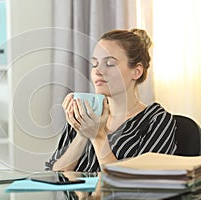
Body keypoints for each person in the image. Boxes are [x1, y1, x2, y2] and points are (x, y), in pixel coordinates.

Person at [45, 28, 177, 172]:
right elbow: (54, 176)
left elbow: (137, 186)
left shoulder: (157, 121)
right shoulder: (84, 115)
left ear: (136, 71)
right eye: (95, 64)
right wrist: (82, 134)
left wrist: (97, 136)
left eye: (109, 63)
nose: (97, 71)